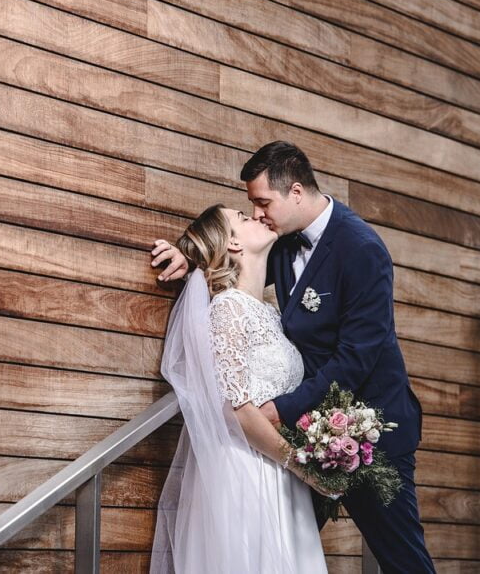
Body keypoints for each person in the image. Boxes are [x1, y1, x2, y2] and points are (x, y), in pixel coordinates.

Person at [152, 141, 435, 573]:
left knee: (402, 559)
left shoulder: (361, 248)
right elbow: (228, 248)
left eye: (263, 203)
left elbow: (358, 356)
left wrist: (280, 410)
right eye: (252, 206)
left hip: (373, 431)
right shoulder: (280, 243)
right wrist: (187, 253)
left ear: (296, 193)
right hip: (301, 442)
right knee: (278, 551)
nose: (258, 213)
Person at [150, 204, 329, 574]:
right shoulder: (227, 309)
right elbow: (236, 409)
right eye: (244, 218)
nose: (257, 216)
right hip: (249, 472)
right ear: (231, 242)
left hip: (280, 474)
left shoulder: (273, 313)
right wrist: (304, 467)